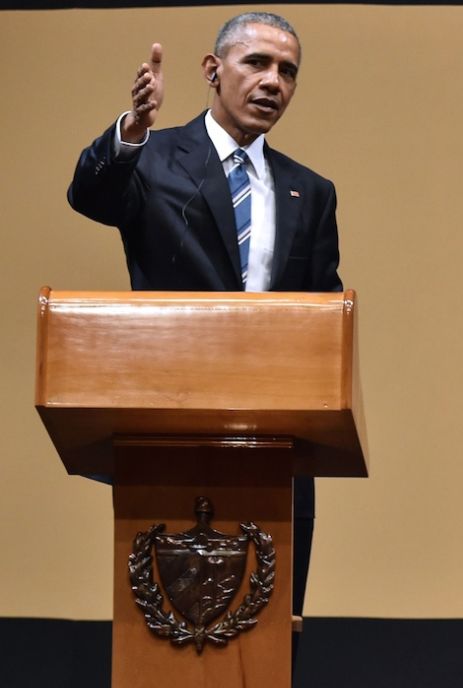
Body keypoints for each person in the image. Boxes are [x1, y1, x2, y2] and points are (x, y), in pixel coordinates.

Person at [67, 11, 340, 651]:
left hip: (277, 443)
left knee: (270, 642)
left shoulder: (311, 191)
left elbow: (321, 308)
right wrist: (132, 130)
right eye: (258, 63)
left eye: (288, 71)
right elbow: (90, 196)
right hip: (171, 426)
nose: (274, 81)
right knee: (167, 635)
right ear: (213, 71)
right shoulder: (153, 157)